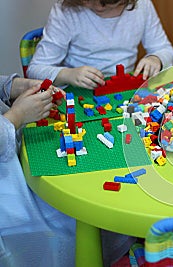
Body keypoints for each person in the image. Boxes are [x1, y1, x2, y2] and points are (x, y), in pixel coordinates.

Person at [0, 74, 134, 266]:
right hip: (10, 193)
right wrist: (17, 115)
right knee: (75, 208)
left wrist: (16, 85)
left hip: (17, 145)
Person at [27, 0, 173, 90]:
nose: (86, 3)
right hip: (78, 92)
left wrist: (156, 59)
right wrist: (68, 74)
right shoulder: (65, 11)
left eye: (119, 4)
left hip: (125, 88)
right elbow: (34, 69)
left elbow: (165, 49)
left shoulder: (142, 5)